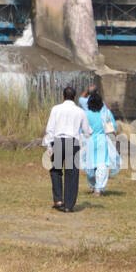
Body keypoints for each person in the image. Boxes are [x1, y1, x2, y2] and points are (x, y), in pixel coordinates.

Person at [43, 84, 91, 213]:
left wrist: (48, 145)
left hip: (58, 141)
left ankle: (58, 199)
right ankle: (69, 205)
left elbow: (50, 129)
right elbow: (87, 131)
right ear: (74, 98)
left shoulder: (55, 109)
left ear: (63, 96)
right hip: (72, 142)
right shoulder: (80, 111)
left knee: (56, 170)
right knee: (72, 173)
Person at [80, 88, 121, 196]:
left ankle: (93, 186)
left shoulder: (85, 114)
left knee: (90, 165)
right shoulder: (106, 113)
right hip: (102, 140)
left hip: (89, 141)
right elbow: (112, 128)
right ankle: (99, 188)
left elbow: (82, 129)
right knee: (102, 165)